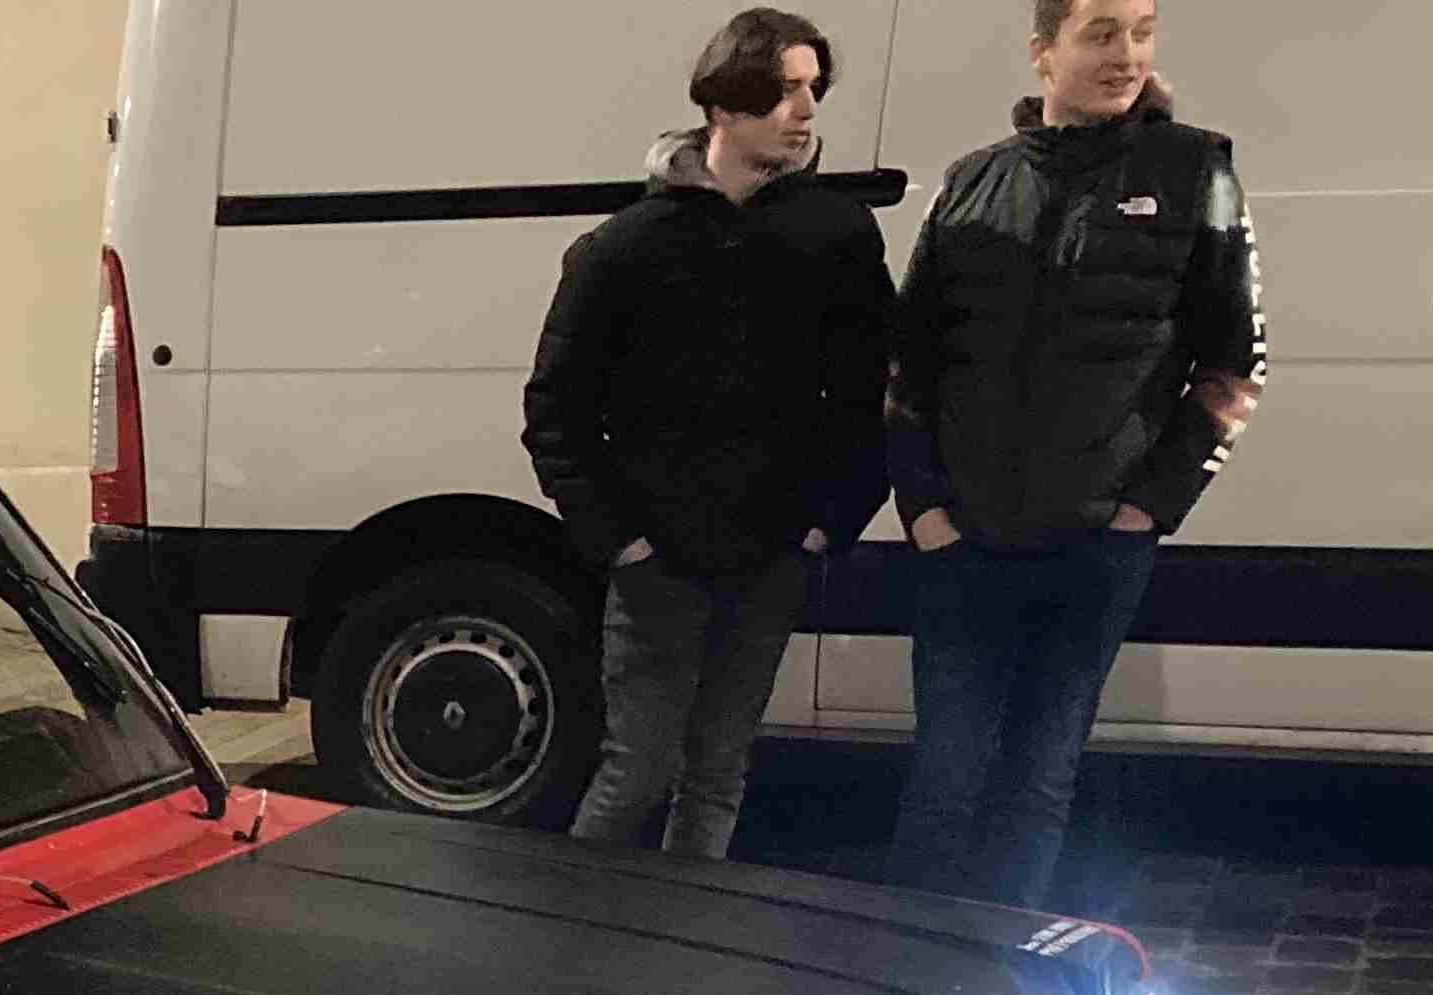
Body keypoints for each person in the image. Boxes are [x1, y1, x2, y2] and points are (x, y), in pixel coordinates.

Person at [885, 0, 1265, 908]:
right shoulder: (972, 181)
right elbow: (908, 367)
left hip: (1096, 545)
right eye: (1100, 33)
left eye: (1142, 30)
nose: (1126, 54)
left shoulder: (1197, 173)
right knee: (943, 780)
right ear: (1043, 53)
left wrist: (1145, 512)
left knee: (1038, 781)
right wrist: (924, 509)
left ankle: (1004, 968)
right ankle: (907, 970)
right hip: (964, 541)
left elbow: (1234, 367)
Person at [522, 11, 892, 861]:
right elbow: (557, 409)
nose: (806, 110)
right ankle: (574, 929)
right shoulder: (625, 246)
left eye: (812, 89)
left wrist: (829, 521)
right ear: (724, 105)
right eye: (785, 90)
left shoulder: (836, 235)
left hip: (771, 557)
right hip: (658, 564)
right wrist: (620, 540)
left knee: (720, 771)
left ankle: (686, 932)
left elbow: (869, 394)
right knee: (637, 771)